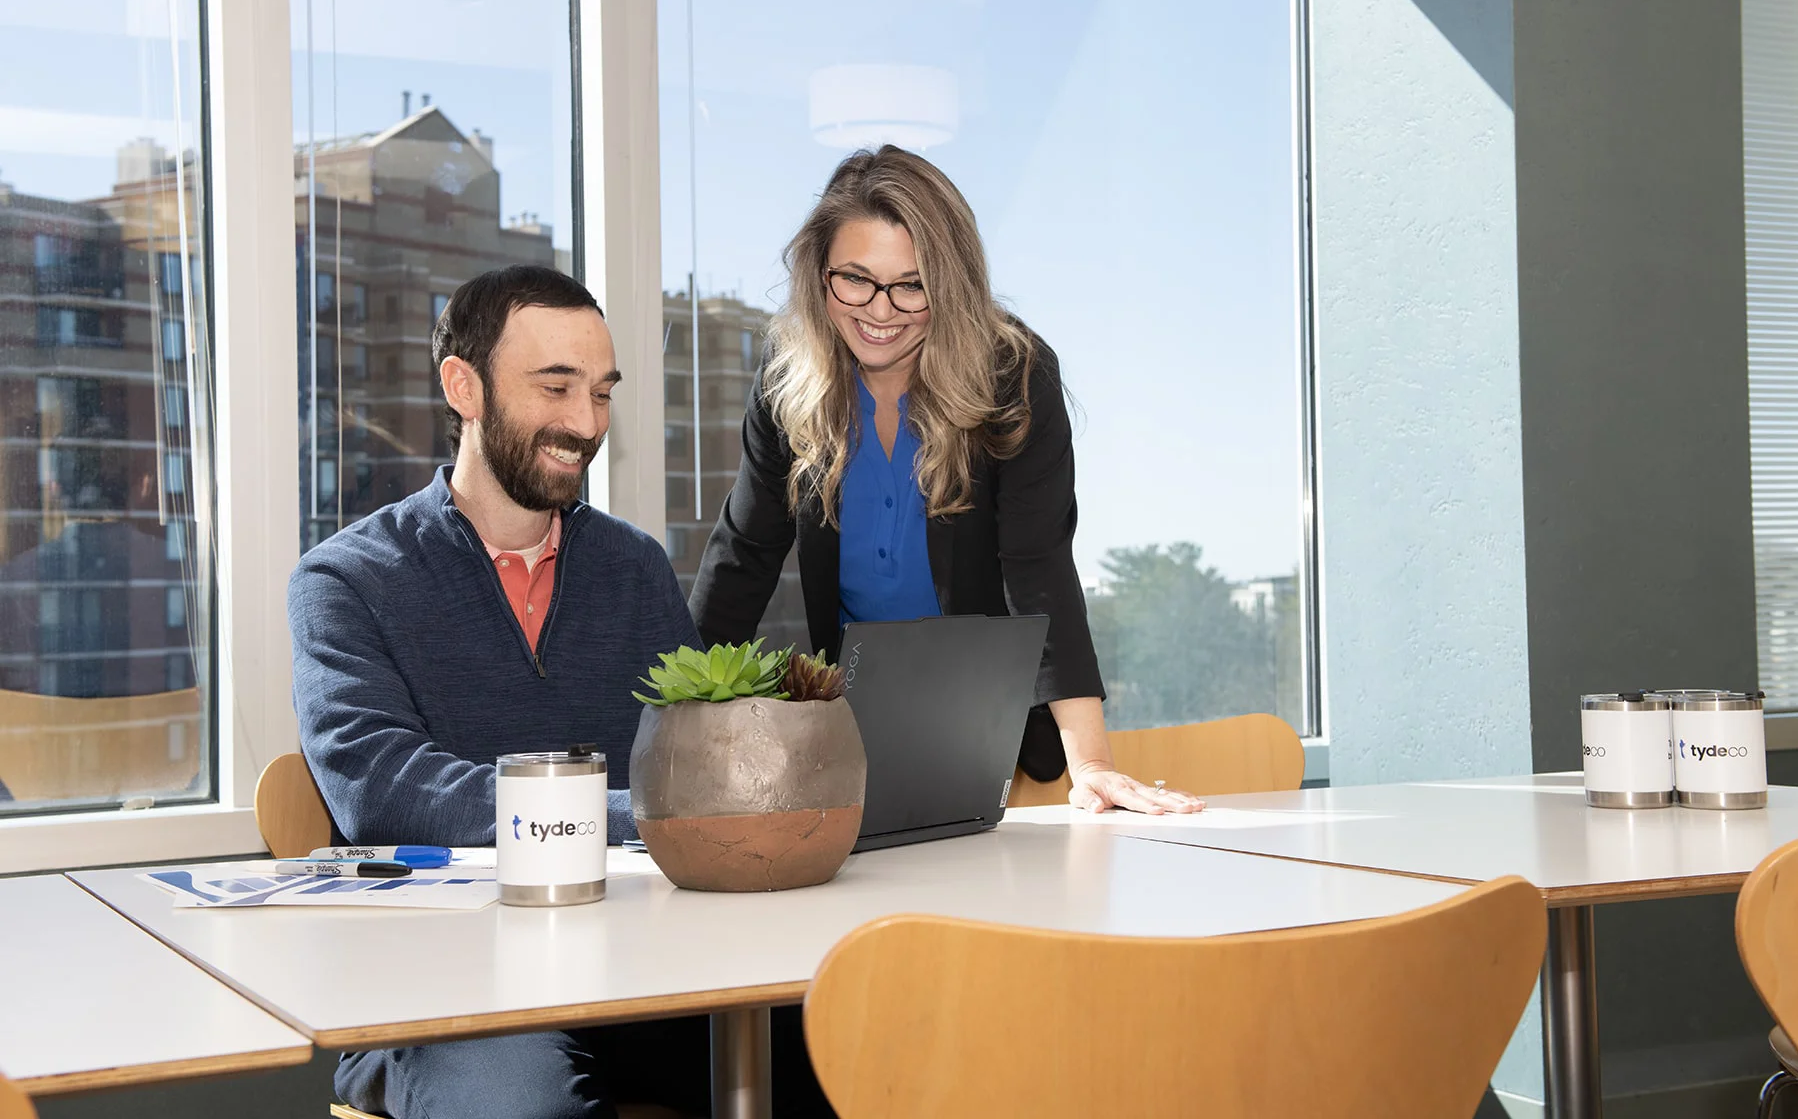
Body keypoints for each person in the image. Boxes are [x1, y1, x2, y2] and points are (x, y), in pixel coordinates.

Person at [289, 265, 708, 1119]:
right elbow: (386, 792)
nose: (585, 423)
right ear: (463, 387)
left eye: (600, 392)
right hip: (449, 988)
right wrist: (642, 818)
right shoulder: (344, 580)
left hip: (652, 966)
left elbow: (694, 762)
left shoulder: (635, 569)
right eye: (555, 387)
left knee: (856, 1047)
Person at [691, 145, 1204, 818]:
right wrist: (675, 726)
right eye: (856, 278)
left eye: (913, 282)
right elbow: (743, 557)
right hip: (849, 712)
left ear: (952, 283)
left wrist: (1094, 764)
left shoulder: (1011, 375)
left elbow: (1037, 565)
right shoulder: (787, 379)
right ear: (820, 275)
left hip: (979, 719)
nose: (882, 309)